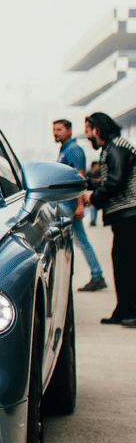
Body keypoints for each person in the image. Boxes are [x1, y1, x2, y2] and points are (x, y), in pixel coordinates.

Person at [83, 111, 136, 326]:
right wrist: (89, 184)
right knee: (122, 263)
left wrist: (94, 197)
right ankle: (123, 310)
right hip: (125, 216)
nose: (88, 136)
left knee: (127, 265)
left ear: (97, 130)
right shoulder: (112, 148)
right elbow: (110, 180)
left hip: (129, 215)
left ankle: (131, 312)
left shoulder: (118, 148)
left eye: (88, 131)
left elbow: (115, 182)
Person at [53, 118, 106, 292]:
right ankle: (97, 275)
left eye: (59, 129)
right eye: (54, 129)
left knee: (69, 240)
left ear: (69, 131)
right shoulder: (65, 149)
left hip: (69, 205)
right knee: (79, 240)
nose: (55, 133)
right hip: (66, 204)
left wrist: (80, 205)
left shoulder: (74, 150)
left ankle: (96, 275)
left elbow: (80, 178)